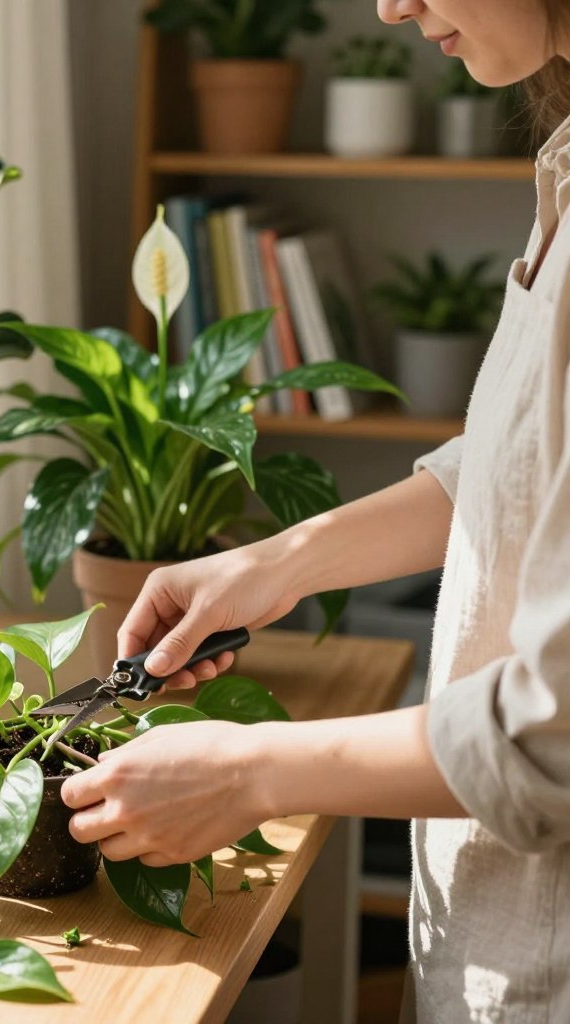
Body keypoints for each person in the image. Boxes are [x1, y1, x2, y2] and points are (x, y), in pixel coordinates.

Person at [60, 2, 570, 1021]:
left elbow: (555, 732)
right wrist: (276, 562)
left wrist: (253, 771)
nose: (389, 6)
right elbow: (523, 460)